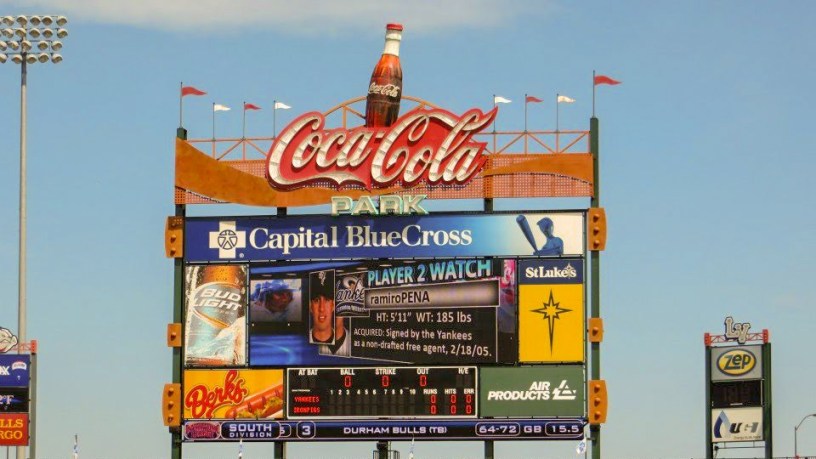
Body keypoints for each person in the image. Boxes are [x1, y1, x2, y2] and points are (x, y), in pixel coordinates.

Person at [309, 271, 335, 344]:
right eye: (316, 300)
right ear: (311, 306)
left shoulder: (347, 341)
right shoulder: (302, 339)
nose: (321, 308)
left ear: (333, 305)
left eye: (326, 300)